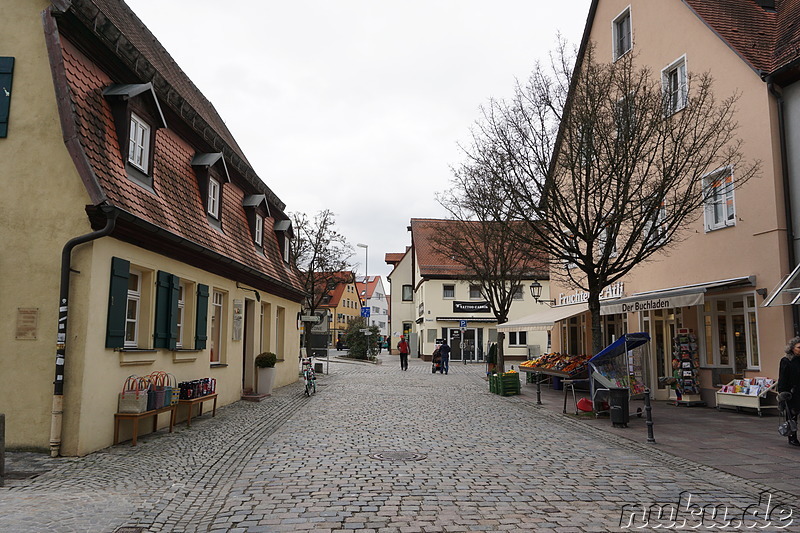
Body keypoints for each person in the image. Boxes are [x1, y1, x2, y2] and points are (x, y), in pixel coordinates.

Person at [778, 336, 800, 446]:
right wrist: (783, 393)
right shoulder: (786, 361)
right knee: (792, 415)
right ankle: (792, 437)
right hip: (792, 393)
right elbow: (782, 378)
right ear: (792, 348)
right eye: (799, 347)